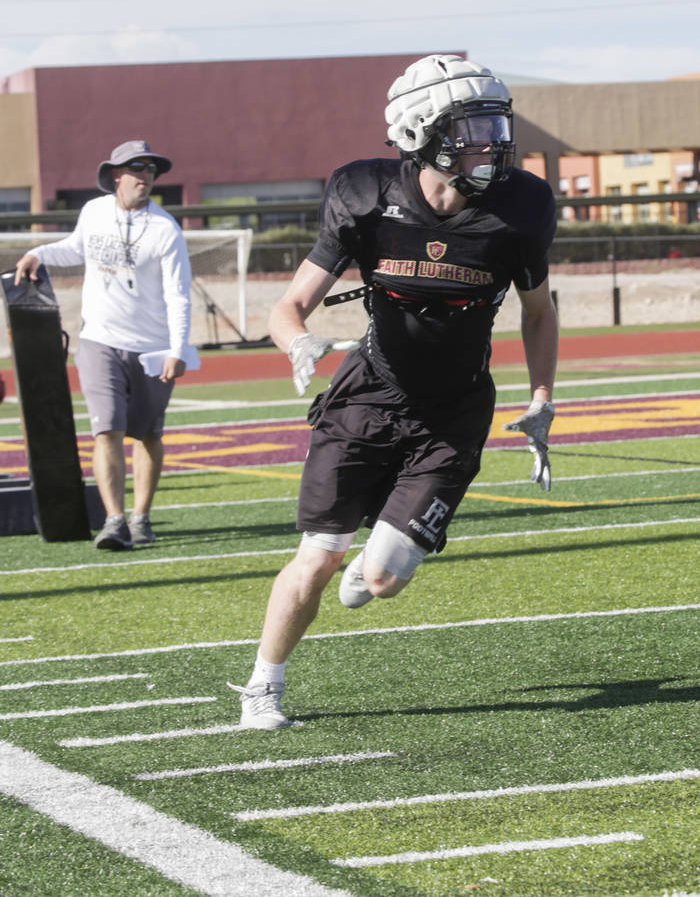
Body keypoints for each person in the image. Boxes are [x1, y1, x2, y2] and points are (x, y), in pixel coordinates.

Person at [229, 53, 559, 730]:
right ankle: (263, 683)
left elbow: (539, 311)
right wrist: (299, 344)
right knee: (318, 558)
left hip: (454, 410)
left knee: (378, 580)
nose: (492, 142)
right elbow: (289, 305)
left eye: (496, 124)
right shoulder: (363, 193)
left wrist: (543, 396)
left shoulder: (520, 207)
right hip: (366, 398)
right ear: (421, 132)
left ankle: (375, 560)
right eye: (472, 128)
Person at [14, 139, 192, 550]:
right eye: (136, 168)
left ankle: (141, 517)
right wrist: (38, 252)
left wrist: (177, 348)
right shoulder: (94, 211)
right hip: (99, 340)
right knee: (106, 429)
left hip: (151, 346)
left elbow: (177, 294)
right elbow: (76, 247)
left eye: (150, 169)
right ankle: (113, 520)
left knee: (147, 434)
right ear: (116, 175)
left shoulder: (165, 228)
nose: (144, 176)